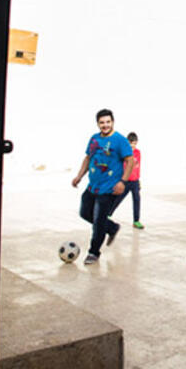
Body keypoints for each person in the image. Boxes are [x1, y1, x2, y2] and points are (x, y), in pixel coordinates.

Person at [72, 108, 134, 265]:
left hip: (109, 188)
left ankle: (94, 252)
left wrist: (123, 182)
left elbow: (130, 161)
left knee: (99, 221)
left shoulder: (120, 140)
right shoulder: (94, 139)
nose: (105, 125)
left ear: (112, 122)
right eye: (102, 122)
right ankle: (112, 228)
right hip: (93, 186)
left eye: (108, 122)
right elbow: (88, 158)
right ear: (98, 124)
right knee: (85, 212)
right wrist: (79, 176)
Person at [110, 131, 144, 229]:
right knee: (118, 198)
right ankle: (108, 214)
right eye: (130, 144)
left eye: (134, 144)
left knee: (137, 200)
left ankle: (136, 221)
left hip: (135, 181)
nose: (133, 146)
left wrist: (139, 180)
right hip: (126, 181)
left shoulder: (138, 152)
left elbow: (138, 167)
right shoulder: (123, 153)